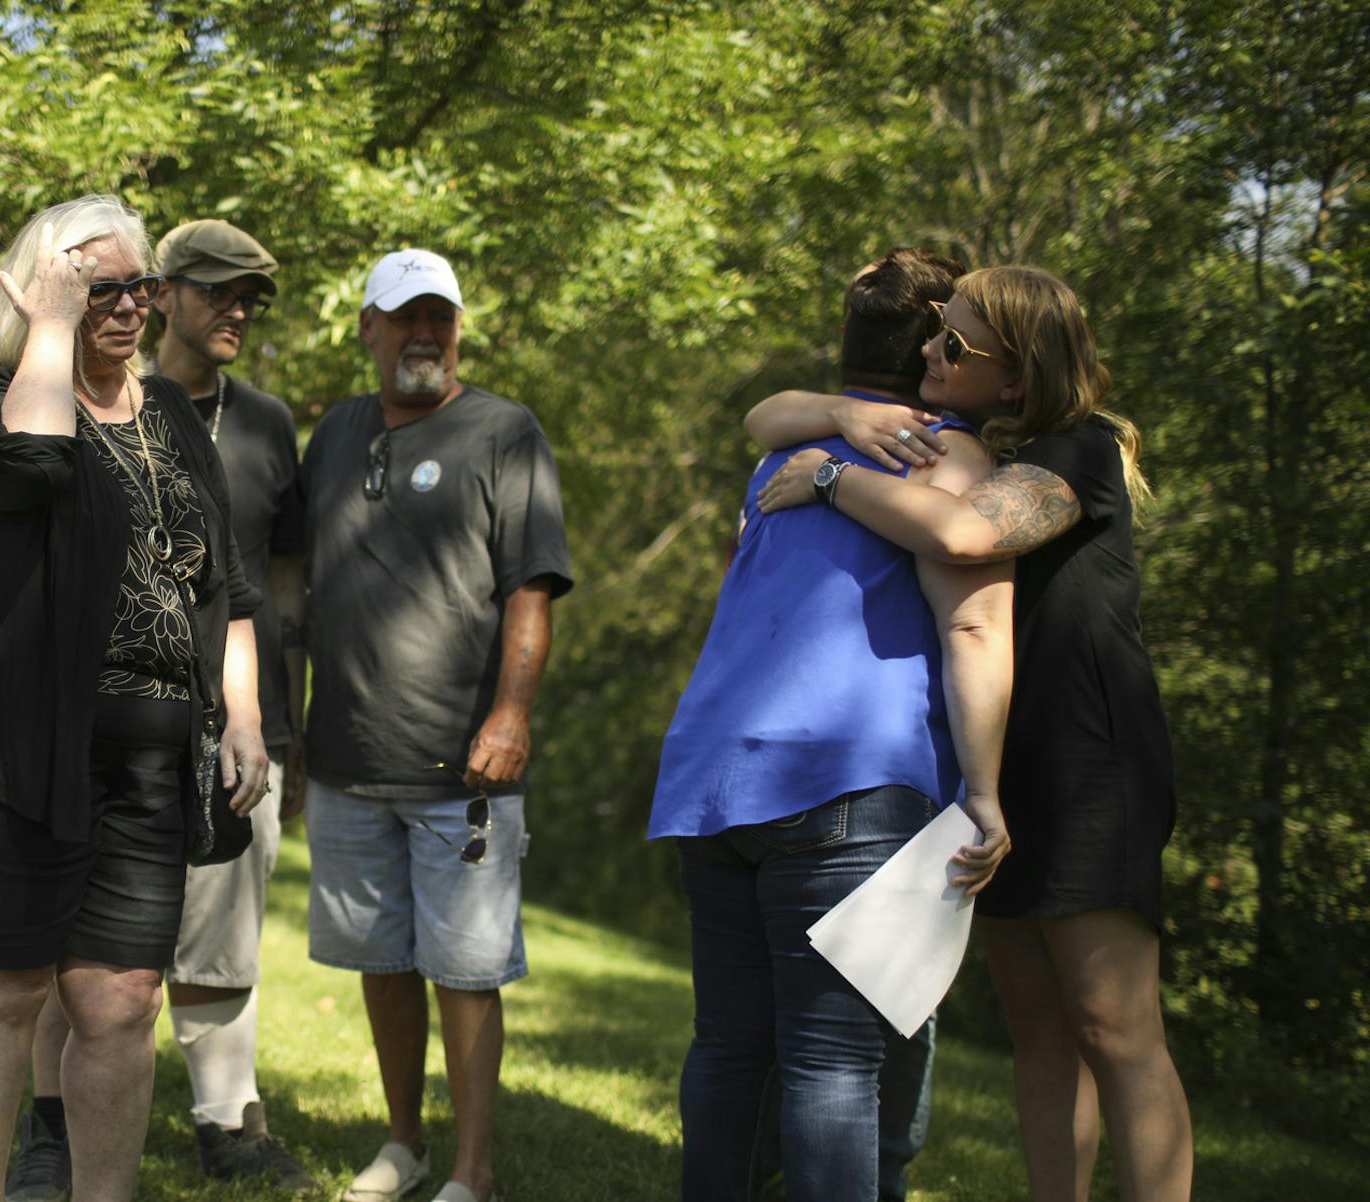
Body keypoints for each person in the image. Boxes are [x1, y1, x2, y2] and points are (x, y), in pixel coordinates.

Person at [751, 265, 1192, 1202]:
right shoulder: (977, 441)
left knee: (1115, 1028)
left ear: (1018, 378)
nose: (927, 352)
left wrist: (831, 476)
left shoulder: (1080, 453)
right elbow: (766, 415)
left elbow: (960, 538)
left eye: (953, 343)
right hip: (999, 770)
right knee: (1041, 1033)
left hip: (1091, 769)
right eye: (932, 335)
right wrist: (842, 415)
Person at [0, 194, 270, 1202]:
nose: (131, 306)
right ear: (44, 291)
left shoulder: (175, 414)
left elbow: (219, 580)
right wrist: (47, 331)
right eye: (99, 288)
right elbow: (34, 463)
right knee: (3, 993)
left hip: (143, 761)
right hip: (6, 748)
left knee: (122, 999)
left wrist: (244, 717)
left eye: (141, 285)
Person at [647, 246, 1015, 1202]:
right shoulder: (951, 456)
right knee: (832, 1066)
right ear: (939, 344)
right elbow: (975, 621)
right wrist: (984, 791)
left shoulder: (788, 452)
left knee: (729, 1047)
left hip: (717, 771)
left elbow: (767, 413)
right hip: (848, 780)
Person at [6, 218, 317, 1198]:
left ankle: (226, 1117)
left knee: (222, 930)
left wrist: (276, 715)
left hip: (236, 715)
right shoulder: (91, 394)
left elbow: (273, 580)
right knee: (80, 944)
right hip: (103, 720)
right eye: (218, 290)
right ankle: (50, 1126)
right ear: (161, 290)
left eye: (250, 299)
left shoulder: (264, 422)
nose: (235, 311)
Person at [297, 249, 573, 1202]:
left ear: (459, 327)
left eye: (439, 319)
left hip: (465, 764)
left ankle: (473, 1171)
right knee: (380, 962)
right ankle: (405, 1144)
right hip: (344, 755)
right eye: (403, 317)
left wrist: (511, 713)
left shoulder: (506, 431)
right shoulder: (332, 434)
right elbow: (297, 584)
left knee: (463, 970)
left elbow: (531, 588)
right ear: (367, 328)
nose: (423, 335)